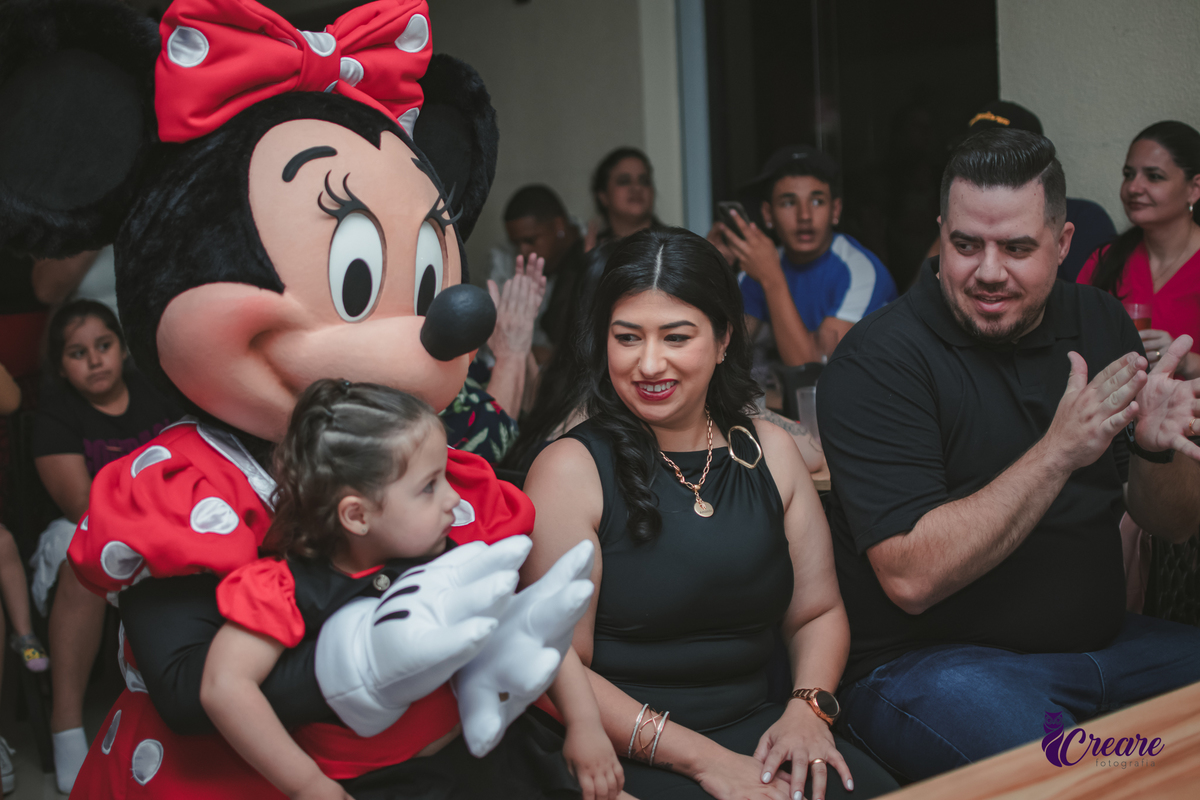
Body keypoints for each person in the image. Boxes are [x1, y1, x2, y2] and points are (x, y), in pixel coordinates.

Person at [818, 127, 1200, 783]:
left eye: (1018, 248)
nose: (988, 270)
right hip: (936, 668)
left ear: (1063, 243)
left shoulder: (1102, 321)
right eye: (966, 245)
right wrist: (1057, 454)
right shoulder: (881, 360)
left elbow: (1168, 522)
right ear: (941, 233)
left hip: (1107, 648)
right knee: (1073, 771)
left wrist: (1159, 454)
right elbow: (911, 578)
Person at [521, 228, 898, 800]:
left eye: (676, 337)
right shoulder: (570, 470)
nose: (649, 363)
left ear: (724, 338)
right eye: (627, 338)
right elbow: (557, 667)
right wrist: (705, 762)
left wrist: (807, 711)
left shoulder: (770, 453)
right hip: (617, 746)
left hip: (762, 730)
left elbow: (816, 613)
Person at [202, 380, 614, 800]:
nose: (454, 498)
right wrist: (307, 785)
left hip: (484, 754)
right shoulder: (287, 588)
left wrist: (585, 726)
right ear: (357, 515)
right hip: (382, 785)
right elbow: (224, 685)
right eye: (429, 486)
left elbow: (530, 627)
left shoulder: (446, 556)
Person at [30, 300, 180, 792]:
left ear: (122, 348)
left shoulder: (154, 394)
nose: (95, 360)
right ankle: (66, 725)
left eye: (103, 346)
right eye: (78, 353)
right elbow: (80, 503)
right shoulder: (54, 413)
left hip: (161, 523)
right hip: (80, 529)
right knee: (88, 553)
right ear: (60, 366)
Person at [710, 146, 897, 366]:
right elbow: (720, 351)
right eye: (789, 202)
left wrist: (771, 278)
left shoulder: (860, 270)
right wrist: (711, 268)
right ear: (768, 215)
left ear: (835, 211)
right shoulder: (762, 264)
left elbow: (812, 369)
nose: (804, 216)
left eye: (817, 201)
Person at [1079, 121, 1200, 379]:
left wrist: (1187, 362)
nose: (1134, 188)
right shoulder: (1105, 259)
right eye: (1128, 174)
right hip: (1117, 415)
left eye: (1154, 176)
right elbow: (1072, 345)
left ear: (1195, 189)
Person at [952, 100, 1117, 283]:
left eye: (1005, 156)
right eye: (971, 156)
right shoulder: (960, 221)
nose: (986, 166)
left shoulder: (1085, 220)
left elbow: (1088, 304)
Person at [491, 185, 588, 363]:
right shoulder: (509, 262)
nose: (523, 251)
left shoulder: (594, 257)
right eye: (516, 244)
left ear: (559, 226)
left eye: (530, 240)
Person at [589, 148, 664, 250]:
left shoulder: (674, 245)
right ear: (603, 196)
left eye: (644, 181)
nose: (637, 188)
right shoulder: (588, 251)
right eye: (624, 181)